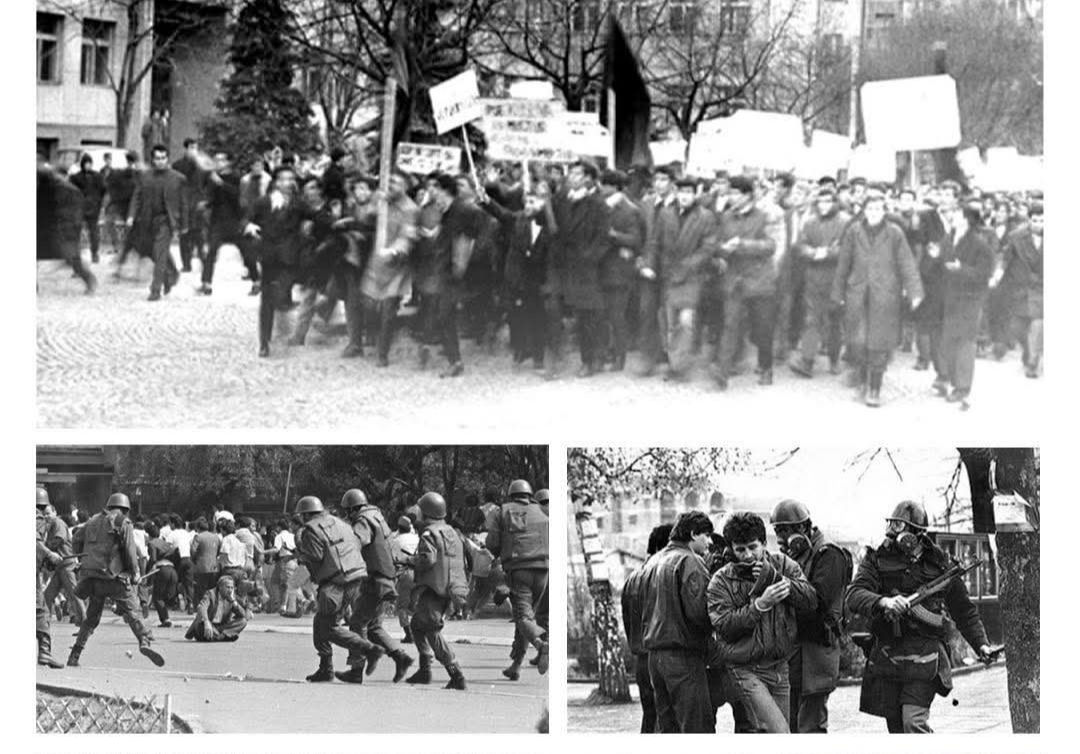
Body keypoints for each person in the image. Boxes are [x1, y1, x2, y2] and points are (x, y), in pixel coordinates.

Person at [846, 501, 994, 733]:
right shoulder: (877, 559)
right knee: (896, 729)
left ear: (917, 533)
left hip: (925, 657)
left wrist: (981, 644)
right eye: (892, 527)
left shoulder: (940, 563)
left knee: (913, 722)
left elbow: (964, 611)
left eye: (901, 528)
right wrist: (883, 602)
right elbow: (854, 595)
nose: (894, 535)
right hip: (889, 656)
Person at [708, 511, 817, 733]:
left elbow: (811, 600)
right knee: (779, 732)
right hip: (745, 668)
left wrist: (779, 580)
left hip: (780, 666)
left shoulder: (783, 564)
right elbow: (724, 626)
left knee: (772, 733)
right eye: (740, 549)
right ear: (731, 548)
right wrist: (760, 605)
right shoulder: (721, 580)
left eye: (753, 547)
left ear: (764, 543)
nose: (748, 555)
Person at [831, 191, 924, 407]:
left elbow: (907, 263)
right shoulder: (854, 231)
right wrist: (837, 292)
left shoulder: (895, 233)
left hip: (885, 296)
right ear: (864, 210)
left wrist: (915, 291)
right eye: (870, 208)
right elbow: (844, 263)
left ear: (885, 211)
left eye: (878, 209)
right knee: (858, 342)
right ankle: (863, 380)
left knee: (879, 344)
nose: (874, 213)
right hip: (857, 294)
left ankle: (874, 389)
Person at [769, 500, 851, 733]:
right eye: (778, 531)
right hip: (795, 650)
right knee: (791, 724)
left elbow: (818, 601)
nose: (782, 538)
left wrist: (782, 585)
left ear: (804, 528)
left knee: (811, 726)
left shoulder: (829, 554)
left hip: (816, 649)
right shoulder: (799, 555)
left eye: (786, 531)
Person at [639, 510, 714, 733]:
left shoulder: (653, 562)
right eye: (706, 535)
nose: (709, 542)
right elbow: (700, 613)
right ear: (693, 534)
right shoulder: (690, 561)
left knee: (666, 727)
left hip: (654, 657)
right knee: (696, 726)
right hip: (684, 657)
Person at [68, 493, 163, 668]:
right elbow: (129, 550)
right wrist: (134, 573)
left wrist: (84, 559)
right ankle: (144, 641)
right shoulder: (123, 522)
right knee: (133, 611)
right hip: (115, 578)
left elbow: (76, 540)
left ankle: (74, 655)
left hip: (93, 578)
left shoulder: (92, 521)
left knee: (91, 619)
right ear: (125, 509)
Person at [293, 495, 379, 682]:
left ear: (307, 515)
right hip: (355, 576)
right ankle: (327, 668)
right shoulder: (339, 522)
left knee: (327, 627)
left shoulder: (310, 529)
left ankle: (368, 650)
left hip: (335, 582)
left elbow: (315, 556)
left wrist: (300, 548)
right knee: (321, 622)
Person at [641, 176, 718, 381]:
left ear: (696, 195)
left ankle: (679, 367)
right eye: (681, 193)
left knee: (685, 321)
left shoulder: (706, 217)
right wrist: (649, 263)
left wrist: (687, 266)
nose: (685, 197)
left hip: (691, 277)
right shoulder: (666, 214)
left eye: (689, 193)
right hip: (668, 275)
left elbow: (708, 248)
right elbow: (654, 242)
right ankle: (675, 360)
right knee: (670, 320)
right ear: (676, 193)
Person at [337, 489, 415, 683]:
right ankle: (400, 657)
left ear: (354, 509)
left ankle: (356, 669)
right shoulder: (379, 518)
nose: (348, 516)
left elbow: (356, 542)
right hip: (387, 578)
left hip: (374, 580)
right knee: (373, 626)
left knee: (356, 622)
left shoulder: (363, 521)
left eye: (348, 512)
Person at [547, 160, 611, 378]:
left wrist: (589, 259)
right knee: (566, 311)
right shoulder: (561, 200)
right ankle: (569, 358)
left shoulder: (597, 204)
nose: (571, 178)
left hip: (587, 269)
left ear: (587, 178)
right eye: (570, 174)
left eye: (577, 174)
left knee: (588, 316)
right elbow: (549, 220)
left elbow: (603, 239)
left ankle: (591, 359)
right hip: (565, 265)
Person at [714, 176, 778, 389]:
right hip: (734, 280)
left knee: (762, 328)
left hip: (759, 281)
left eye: (735, 193)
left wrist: (742, 244)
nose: (730, 196)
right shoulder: (726, 217)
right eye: (729, 192)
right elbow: (718, 244)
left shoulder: (763, 217)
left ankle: (766, 366)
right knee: (729, 325)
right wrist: (722, 253)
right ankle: (722, 373)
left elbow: (770, 246)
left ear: (747, 195)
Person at [243, 165, 309, 357]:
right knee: (266, 300)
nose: (288, 183)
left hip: (289, 258)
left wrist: (336, 221)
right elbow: (246, 219)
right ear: (276, 182)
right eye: (283, 179)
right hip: (269, 256)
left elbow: (317, 215)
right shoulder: (263, 202)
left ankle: (281, 320)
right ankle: (264, 342)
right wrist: (249, 226)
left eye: (291, 179)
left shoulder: (298, 204)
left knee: (280, 294)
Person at [486, 480, 550, 680]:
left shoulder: (502, 511)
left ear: (511, 494)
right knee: (526, 618)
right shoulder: (544, 511)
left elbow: (493, 542)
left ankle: (542, 645)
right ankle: (516, 666)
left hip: (519, 571)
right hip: (543, 571)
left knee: (523, 618)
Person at [405, 492, 469, 690]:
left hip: (433, 588)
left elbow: (427, 559)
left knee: (431, 630)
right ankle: (425, 669)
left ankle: (456, 673)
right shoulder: (452, 532)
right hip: (450, 587)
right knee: (416, 625)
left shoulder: (429, 534)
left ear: (426, 513)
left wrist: (408, 560)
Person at [937, 204, 995, 409]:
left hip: (970, 299)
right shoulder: (949, 237)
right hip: (950, 297)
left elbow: (984, 273)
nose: (952, 216)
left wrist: (962, 269)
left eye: (957, 214)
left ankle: (962, 387)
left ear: (967, 219)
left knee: (965, 343)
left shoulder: (980, 243)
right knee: (950, 340)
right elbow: (941, 259)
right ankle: (952, 381)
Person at [789, 189, 849, 377]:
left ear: (835, 203)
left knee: (834, 321)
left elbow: (848, 248)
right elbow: (800, 244)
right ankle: (807, 361)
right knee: (811, 320)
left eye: (828, 201)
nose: (823, 205)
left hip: (836, 277)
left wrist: (829, 253)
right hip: (814, 277)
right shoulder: (810, 222)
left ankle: (834, 360)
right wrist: (812, 252)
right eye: (821, 201)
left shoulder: (845, 221)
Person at [360, 170, 418, 366]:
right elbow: (366, 219)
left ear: (406, 187)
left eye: (397, 183)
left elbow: (407, 237)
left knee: (388, 308)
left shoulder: (410, 209)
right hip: (376, 261)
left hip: (396, 265)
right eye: (390, 182)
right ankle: (374, 335)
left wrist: (394, 251)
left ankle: (382, 352)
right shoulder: (384, 202)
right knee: (368, 304)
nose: (392, 186)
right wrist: (376, 202)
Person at [621, 523, 672, 733]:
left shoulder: (632, 578)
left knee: (650, 717)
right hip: (661, 656)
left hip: (641, 658)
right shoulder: (660, 575)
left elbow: (627, 621)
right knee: (666, 720)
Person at [598, 169, 646, 371]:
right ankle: (607, 351)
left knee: (617, 314)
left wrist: (613, 235)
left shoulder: (630, 210)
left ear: (613, 187)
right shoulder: (600, 205)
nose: (600, 188)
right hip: (601, 266)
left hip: (619, 269)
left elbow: (635, 240)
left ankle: (620, 355)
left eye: (604, 184)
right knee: (603, 313)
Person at [127, 144, 187, 301]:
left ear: (167, 158)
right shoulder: (145, 177)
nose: (160, 161)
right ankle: (170, 275)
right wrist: (131, 216)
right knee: (153, 252)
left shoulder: (177, 178)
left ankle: (155, 290)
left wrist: (184, 225)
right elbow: (137, 197)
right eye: (157, 158)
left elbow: (183, 203)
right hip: (147, 221)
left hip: (166, 221)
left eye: (163, 158)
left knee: (160, 253)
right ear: (153, 160)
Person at [37, 164, 97, 293]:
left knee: (71, 259)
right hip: (51, 229)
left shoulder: (69, 190)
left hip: (64, 231)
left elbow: (77, 213)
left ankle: (89, 280)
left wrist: (72, 228)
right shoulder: (49, 188)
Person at [1000, 201, 1043, 378]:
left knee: (1037, 323)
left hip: (1042, 287)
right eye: (1035, 220)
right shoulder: (1016, 237)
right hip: (1020, 287)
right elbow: (1005, 259)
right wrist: (997, 275)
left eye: (1042, 220)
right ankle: (1028, 350)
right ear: (1029, 219)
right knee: (1017, 327)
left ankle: (1033, 362)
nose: (1039, 224)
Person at [198, 149, 244, 295]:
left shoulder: (236, 177)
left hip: (234, 220)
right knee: (211, 251)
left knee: (246, 250)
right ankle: (206, 283)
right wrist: (205, 203)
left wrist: (221, 183)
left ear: (228, 162)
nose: (219, 163)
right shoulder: (212, 178)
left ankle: (256, 280)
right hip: (217, 220)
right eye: (216, 160)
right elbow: (212, 197)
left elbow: (236, 195)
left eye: (222, 160)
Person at [41, 501, 86, 627]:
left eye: (48, 514)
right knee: (48, 595)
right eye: (44, 514)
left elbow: (59, 540)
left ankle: (85, 623)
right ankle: (44, 623)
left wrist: (45, 549)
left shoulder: (58, 523)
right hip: (59, 568)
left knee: (75, 594)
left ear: (55, 513)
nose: (46, 516)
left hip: (66, 565)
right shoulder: (50, 526)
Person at [36, 489, 66, 668]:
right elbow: (34, 542)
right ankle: (45, 652)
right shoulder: (37, 518)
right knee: (40, 611)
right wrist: (50, 555)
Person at [172, 137, 209, 272]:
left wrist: (205, 200)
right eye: (192, 148)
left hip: (198, 204)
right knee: (184, 234)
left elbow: (207, 185)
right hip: (184, 204)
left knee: (199, 234)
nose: (194, 151)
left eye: (196, 148)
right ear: (186, 149)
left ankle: (205, 262)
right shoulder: (177, 166)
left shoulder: (202, 167)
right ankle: (186, 264)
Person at [185, 575, 249, 642]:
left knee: (243, 621)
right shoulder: (210, 594)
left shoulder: (231, 597)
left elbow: (243, 615)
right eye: (227, 587)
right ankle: (224, 637)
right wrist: (207, 622)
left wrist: (233, 601)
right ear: (220, 587)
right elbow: (201, 608)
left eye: (231, 588)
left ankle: (218, 637)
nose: (230, 590)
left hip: (221, 627)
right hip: (208, 625)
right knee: (202, 628)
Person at [70, 154, 106, 263]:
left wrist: (99, 202)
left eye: (90, 163)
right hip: (80, 208)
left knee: (93, 232)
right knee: (76, 232)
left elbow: (103, 189)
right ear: (82, 164)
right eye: (86, 163)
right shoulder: (76, 177)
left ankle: (94, 254)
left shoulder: (98, 176)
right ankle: (76, 256)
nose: (88, 166)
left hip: (93, 208)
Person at [389, 515, 419, 643]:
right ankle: (419, 632)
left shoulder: (395, 541)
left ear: (399, 528)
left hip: (405, 573)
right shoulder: (417, 538)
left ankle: (409, 634)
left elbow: (391, 559)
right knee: (415, 605)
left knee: (402, 606)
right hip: (420, 573)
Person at [144, 521, 178, 628]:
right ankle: (167, 616)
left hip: (162, 570)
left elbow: (153, 559)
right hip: (173, 570)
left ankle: (165, 619)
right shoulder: (166, 543)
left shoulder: (152, 543)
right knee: (167, 595)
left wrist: (147, 571)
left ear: (148, 535)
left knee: (157, 597)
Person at [104, 151, 138, 257]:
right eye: (128, 162)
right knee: (109, 221)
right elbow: (108, 184)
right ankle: (117, 247)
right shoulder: (118, 173)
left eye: (131, 163)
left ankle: (131, 248)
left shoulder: (137, 174)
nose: (130, 165)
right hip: (118, 203)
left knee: (131, 225)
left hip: (130, 203)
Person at [189, 517, 220, 608]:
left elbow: (193, 551)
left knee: (201, 590)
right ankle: (212, 607)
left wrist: (195, 560)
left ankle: (201, 608)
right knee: (212, 590)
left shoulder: (198, 537)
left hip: (201, 567)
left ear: (198, 527)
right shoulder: (216, 537)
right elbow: (218, 550)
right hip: (214, 567)